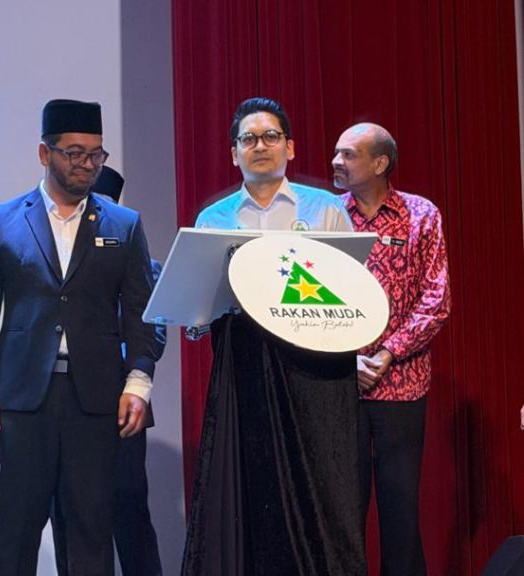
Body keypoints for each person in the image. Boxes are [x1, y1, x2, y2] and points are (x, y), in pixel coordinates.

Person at [0, 99, 161, 575]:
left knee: (91, 528)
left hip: (96, 398)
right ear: (44, 153)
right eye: (74, 153)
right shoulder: (3, 219)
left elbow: (141, 312)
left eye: (96, 154)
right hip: (23, 398)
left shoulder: (123, 224)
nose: (87, 164)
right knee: (16, 528)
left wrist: (138, 383)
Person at [183, 97, 365, 576]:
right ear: (233, 153)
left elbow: (353, 291)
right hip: (244, 364)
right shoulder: (214, 220)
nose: (259, 146)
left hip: (316, 366)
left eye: (270, 136)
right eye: (248, 138)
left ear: (290, 147)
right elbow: (199, 307)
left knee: (321, 483)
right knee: (252, 482)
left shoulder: (326, 210)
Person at [333, 122, 451, 575]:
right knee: (343, 511)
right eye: (337, 153)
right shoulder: (328, 216)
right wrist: (347, 359)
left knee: (400, 508)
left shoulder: (421, 214)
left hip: (402, 385)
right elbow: (309, 296)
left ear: (380, 163)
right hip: (340, 385)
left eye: (348, 155)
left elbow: (436, 299)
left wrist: (387, 353)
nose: (336, 162)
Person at [49, 166, 166, 576]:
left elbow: (153, 336)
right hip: (67, 401)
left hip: (121, 402)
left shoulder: (142, 262)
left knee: (128, 506)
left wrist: (114, 366)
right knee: (66, 508)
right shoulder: (58, 267)